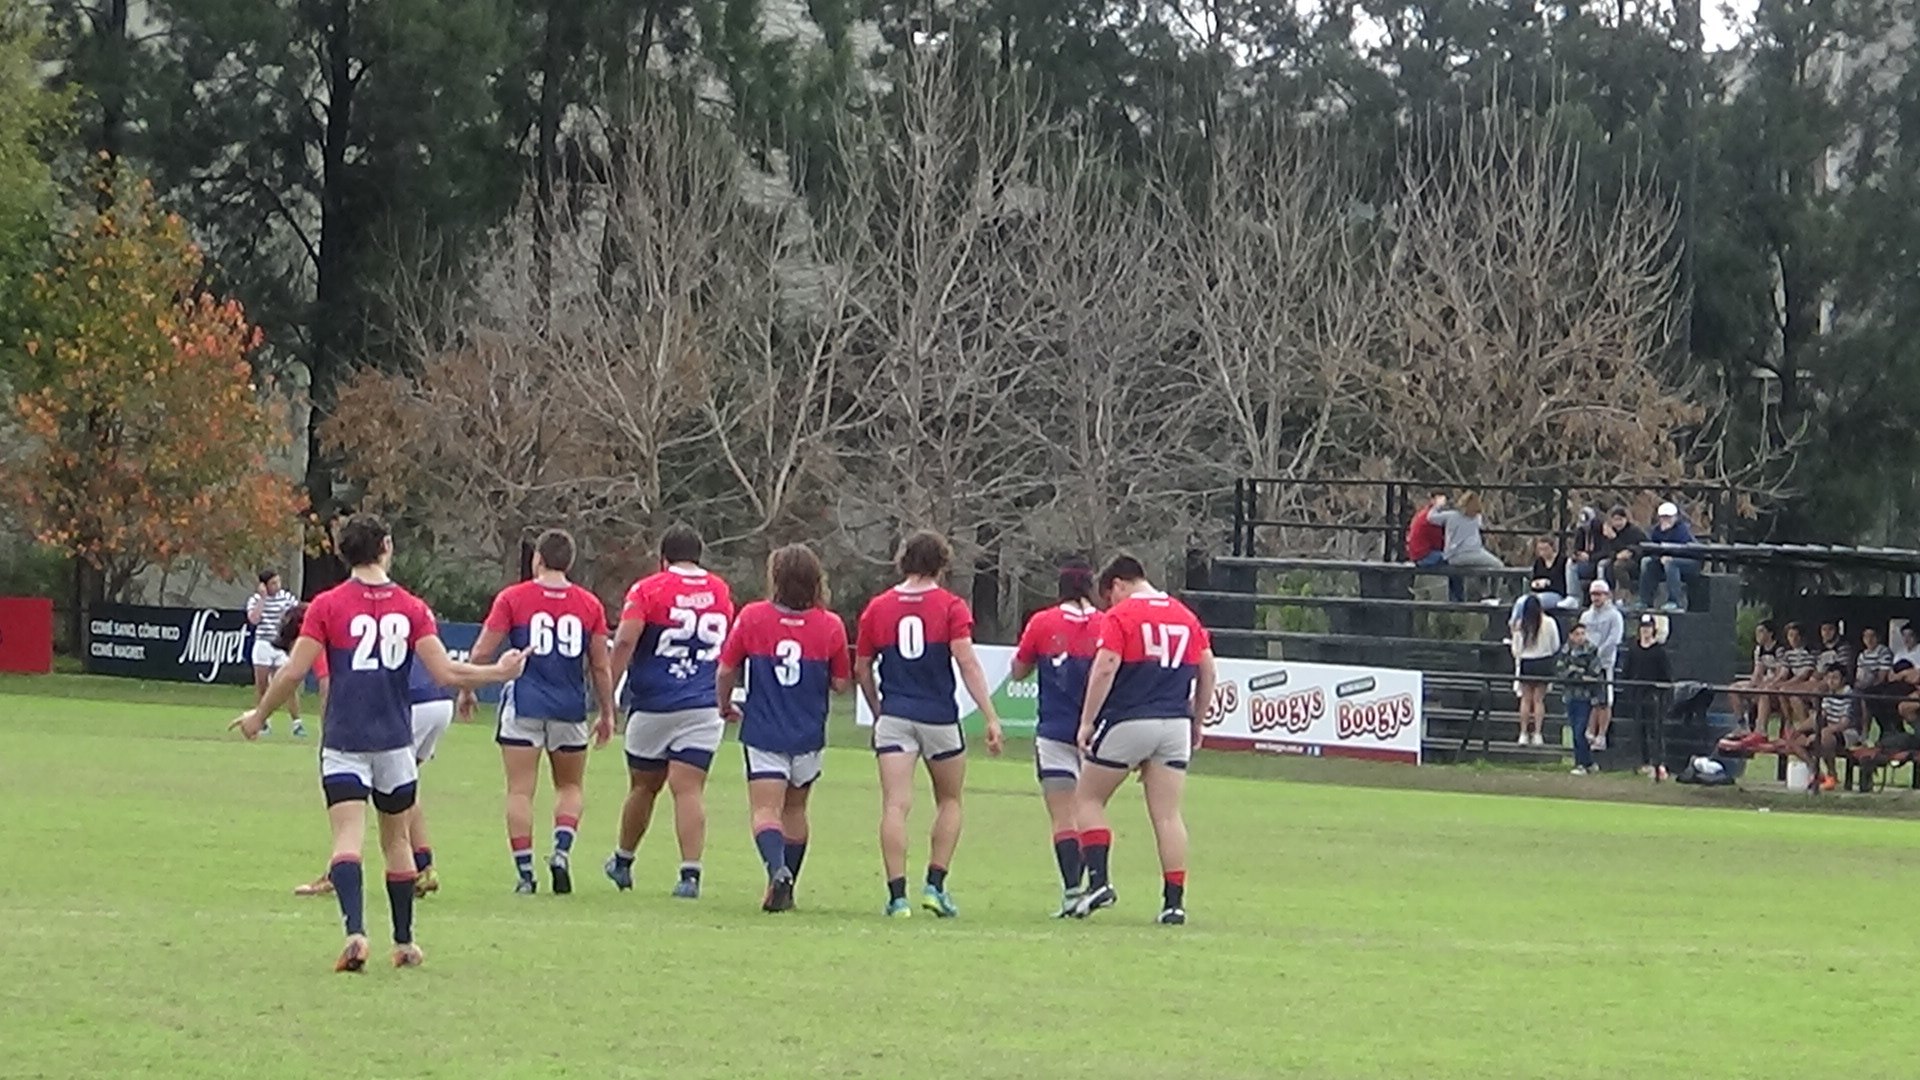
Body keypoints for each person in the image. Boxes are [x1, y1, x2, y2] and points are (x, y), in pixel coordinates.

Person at [229, 513, 526, 971]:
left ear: (343, 553)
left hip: (345, 739)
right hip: (393, 741)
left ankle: (354, 933)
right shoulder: (412, 607)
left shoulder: (327, 606)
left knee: (347, 837)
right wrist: (498, 672)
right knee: (397, 841)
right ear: (386, 546)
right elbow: (446, 672)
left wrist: (259, 716)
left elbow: (293, 671)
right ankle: (404, 943)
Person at [855, 530, 1005, 918]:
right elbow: (967, 662)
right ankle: (935, 887)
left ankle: (897, 897)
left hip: (896, 717)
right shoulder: (950, 606)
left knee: (895, 804)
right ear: (942, 563)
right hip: (938, 717)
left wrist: (877, 709)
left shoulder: (878, 607)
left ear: (903, 561)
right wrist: (990, 715)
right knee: (950, 801)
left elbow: (862, 667)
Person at [462, 529, 616, 896]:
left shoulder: (514, 598)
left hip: (524, 705)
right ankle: (561, 850)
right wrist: (608, 711)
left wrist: (468, 687)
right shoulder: (589, 604)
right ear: (570, 562)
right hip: (569, 707)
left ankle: (526, 872)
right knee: (570, 786)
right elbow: (600, 665)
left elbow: (483, 650)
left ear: (538, 559)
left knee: (519, 790)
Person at [1070, 554, 1216, 926]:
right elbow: (1208, 669)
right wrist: (1197, 721)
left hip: (1131, 719)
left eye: (1109, 596)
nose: (1109, 605)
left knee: (1087, 798)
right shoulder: (1184, 615)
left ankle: (1100, 882)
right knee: (1167, 815)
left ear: (1118, 584)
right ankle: (1174, 903)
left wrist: (1087, 721)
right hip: (1175, 725)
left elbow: (1105, 667)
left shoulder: (1122, 617)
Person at [715, 544, 851, 913]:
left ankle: (777, 871)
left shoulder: (753, 617)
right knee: (795, 811)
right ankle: (785, 882)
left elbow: (726, 670)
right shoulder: (831, 625)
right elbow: (841, 683)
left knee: (764, 811)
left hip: (764, 731)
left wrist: (724, 705)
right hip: (808, 732)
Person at [288, 602, 455, 899]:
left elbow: (328, 686)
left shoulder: (326, 632)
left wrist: (332, 735)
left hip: (410, 705)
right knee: (403, 787)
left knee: (355, 801)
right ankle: (425, 866)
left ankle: (338, 872)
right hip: (439, 701)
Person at [603, 524, 734, 899]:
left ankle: (624, 861)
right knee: (689, 789)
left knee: (644, 787)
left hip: (654, 701)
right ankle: (690, 875)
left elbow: (627, 638)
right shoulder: (719, 590)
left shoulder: (649, 589)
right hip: (703, 702)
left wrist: (607, 690)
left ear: (663, 558)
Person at [1010, 558, 1105, 916]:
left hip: (1053, 731)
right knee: (1090, 812)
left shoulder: (1043, 622)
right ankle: (1095, 884)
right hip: (1098, 734)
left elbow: (1018, 672)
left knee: (1063, 817)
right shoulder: (1106, 623)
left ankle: (1071, 891)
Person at [247, 569, 304, 737]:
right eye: (273, 583)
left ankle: (297, 723)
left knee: (288, 685)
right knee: (262, 686)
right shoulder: (256, 600)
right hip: (263, 644)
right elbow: (254, 619)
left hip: (280, 645)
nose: (277, 586)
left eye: (278, 582)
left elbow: (297, 613)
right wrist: (263, 599)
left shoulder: (286, 597)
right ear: (264, 585)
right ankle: (264, 722)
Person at [1616, 614, 1673, 770]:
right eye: (1643, 627)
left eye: (1648, 627)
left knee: (1655, 730)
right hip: (1637, 695)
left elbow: (1666, 676)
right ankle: (1644, 762)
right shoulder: (1633, 649)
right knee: (1639, 730)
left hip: (1654, 696)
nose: (1645, 630)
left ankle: (1658, 762)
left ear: (1653, 629)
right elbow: (1627, 671)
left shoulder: (1659, 652)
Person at [1428, 491, 1504, 603]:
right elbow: (1480, 524)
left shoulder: (1451, 515)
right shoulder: (1475, 518)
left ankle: (1485, 594)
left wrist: (1437, 506)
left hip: (1454, 555)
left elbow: (1431, 518)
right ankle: (1493, 595)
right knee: (1499, 566)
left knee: (1484, 567)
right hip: (1469, 553)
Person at [1578, 580, 1624, 750]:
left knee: (1605, 702)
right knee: (1592, 701)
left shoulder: (1614, 616)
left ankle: (1601, 735)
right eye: (1592, 594)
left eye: (1599, 594)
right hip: (1588, 664)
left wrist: (1598, 655)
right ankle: (1590, 732)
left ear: (1606, 595)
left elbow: (1614, 639)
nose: (1595, 597)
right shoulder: (1586, 616)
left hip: (1605, 664)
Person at [1509, 595, 1560, 746]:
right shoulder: (1550, 622)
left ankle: (1523, 733)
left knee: (1525, 700)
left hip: (1527, 662)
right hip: (1543, 662)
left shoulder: (1520, 624)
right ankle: (1538, 734)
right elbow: (1555, 645)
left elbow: (1516, 649)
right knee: (1538, 700)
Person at [1801, 664, 1859, 793]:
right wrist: (1799, 730)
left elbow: (1844, 723)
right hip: (1827, 729)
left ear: (1843, 679)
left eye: (1835, 678)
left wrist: (1819, 734)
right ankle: (1816, 772)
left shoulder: (1850, 695)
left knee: (1825, 738)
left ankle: (1832, 775)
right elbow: (1822, 716)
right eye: (1829, 677)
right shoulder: (1828, 694)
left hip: (1848, 733)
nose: (1831, 681)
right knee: (1796, 739)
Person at [1558, 623, 1605, 775]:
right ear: (1571, 636)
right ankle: (1588, 762)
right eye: (1577, 634)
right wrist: (1574, 674)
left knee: (1579, 731)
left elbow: (1594, 674)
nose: (1580, 637)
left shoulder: (1591, 651)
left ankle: (1581, 764)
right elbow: (1560, 671)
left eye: (1583, 633)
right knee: (1575, 730)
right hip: (1570, 696)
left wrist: (1575, 673)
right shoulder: (1565, 651)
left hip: (1585, 697)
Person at [1637, 502, 1700, 612]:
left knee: (1670, 563)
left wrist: (1669, 556)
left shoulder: (1682, 530)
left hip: (1689, 563)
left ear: (1675, 517)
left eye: (1669, 517)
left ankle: (1674, 601)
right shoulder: (1656, 531)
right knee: (1647, 562)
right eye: (1663, 517)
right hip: (1665, 562)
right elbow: (1653, 549)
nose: (1666, 520)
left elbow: (1684, 549)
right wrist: (1658, 557)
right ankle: (1645, 601)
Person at [1727, 620, 1784, 735]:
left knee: (1764, 692)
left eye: (1761, 631)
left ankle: (1761, 729)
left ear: (1770, 633)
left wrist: (1767, 683)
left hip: (1776, 686)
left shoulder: (1779, 650)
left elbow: (1781, 674)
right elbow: (1757, 672)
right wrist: (1751, 685)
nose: (1758, 635)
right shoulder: (1758, 650)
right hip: (1762, 682)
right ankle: (1742, 724)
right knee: (1733, 689)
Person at [1591, 506, 1647, 601]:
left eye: (1620, 519)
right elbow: (1606, 551)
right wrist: (1615, 549)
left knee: (1619, 565)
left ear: (1625, 519)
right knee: (1604, 565)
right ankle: (1607, 594)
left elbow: (1642, 546)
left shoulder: (1634, 531)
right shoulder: (1610, 533)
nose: (1618, 523)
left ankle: (1624, 594)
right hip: (1614, 559)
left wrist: (1630, 552)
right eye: (1615, 520)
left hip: (1633, 560)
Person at [1774, 622, 1820, 729]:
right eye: (1790, 635)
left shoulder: (1811, 652)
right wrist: (1773, 684)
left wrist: (1785, 685)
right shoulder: (1788, 654)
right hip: (1794, 684)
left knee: (1786, 691)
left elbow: (1804, 675)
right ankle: (1788, 722)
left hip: (1808, 684)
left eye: (1796, 635)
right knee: (1778, 691)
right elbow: (1783, 674)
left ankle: (1804, 726)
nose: (1793, 639)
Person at [1514, 536, 1567, 617]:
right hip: (1538, 592)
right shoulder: (1538, 562)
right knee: (1520, 601)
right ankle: (1514, 624)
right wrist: (1535, 584)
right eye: (1540, 549)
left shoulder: (1562, 561)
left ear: (1552, 548)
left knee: (1531, 603)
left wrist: (1548, 583)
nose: (1543, 552)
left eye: (1545, 549)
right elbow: (1534, 580)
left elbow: (1562, 584)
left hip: (1555, 594)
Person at [1562, 507, 1603, 607]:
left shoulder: (1601, 532)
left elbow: (1606, 551)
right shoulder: (1580, 531)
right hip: (1584, 563)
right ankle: (1573, 597)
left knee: (1602, 565)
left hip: (1597, 561)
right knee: (1570, 563)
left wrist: (1590, 557)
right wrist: (1577, 555)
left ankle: (1601, 592)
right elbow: (1576, 548)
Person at [1405, 491, 1449, 569]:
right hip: (1425, 556)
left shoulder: (1423, 513)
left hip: (1417, 554)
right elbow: (1438, 542)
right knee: (1453, 560)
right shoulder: (1433, 519)